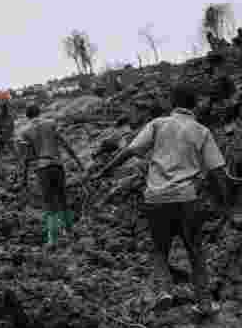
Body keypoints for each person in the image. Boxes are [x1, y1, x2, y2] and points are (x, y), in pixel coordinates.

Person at [89, 84, 232, 314]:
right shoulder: (201, 131)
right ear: (194, 105)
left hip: (156, 199)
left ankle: (165, 290)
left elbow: (129, 151)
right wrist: (226, 203)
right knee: (195, 251)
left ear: (171, 103)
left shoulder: (158, 124)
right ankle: (204, 303)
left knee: (159, 250)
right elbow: (217, 171)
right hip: (187, 198)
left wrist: (104, 171)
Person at [19, 104, 84, 247]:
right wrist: (78, 162)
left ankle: (52, 238)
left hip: (42, 168)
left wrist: (24, 178)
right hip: (57, 165)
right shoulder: (51, 123)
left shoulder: (25, 132)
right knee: (62, 198)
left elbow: (27, 157)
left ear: (27, 116)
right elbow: (65, 144)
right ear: (39, 113)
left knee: (49, 203)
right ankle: (70, 230)